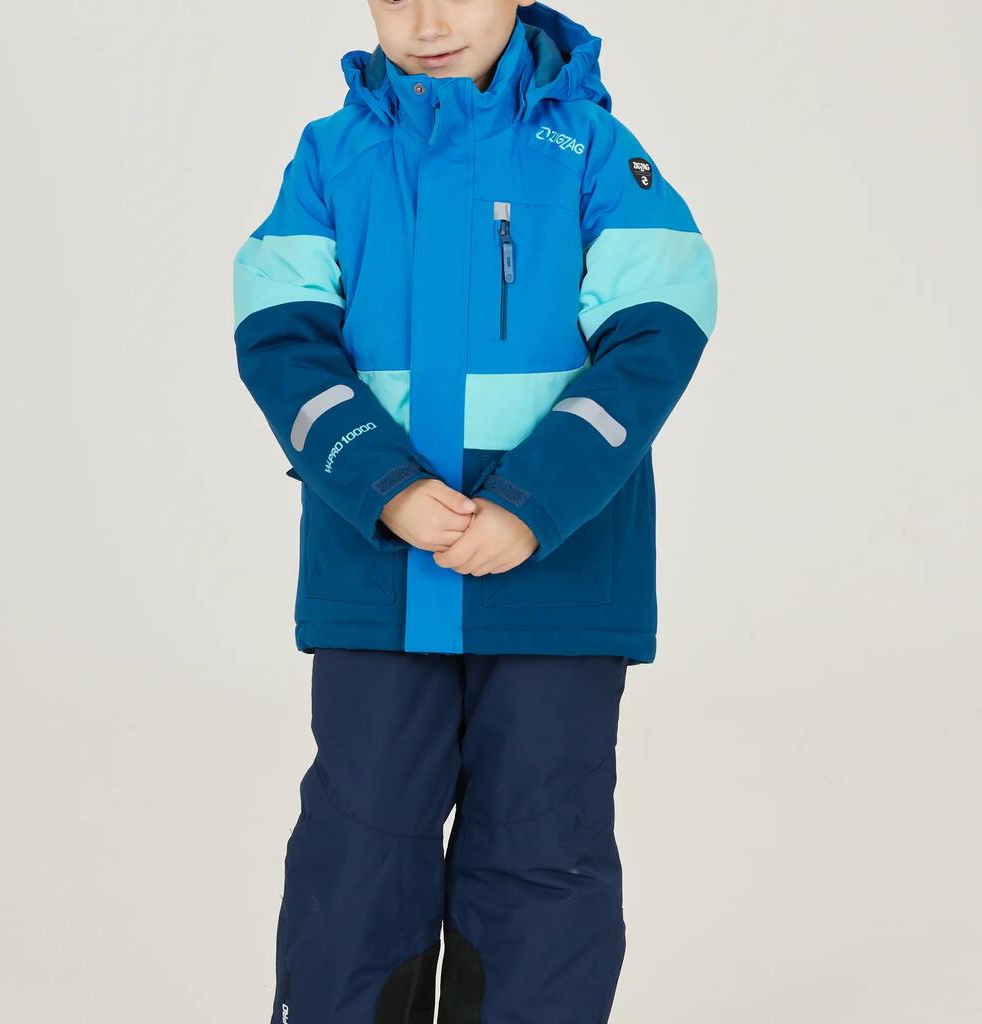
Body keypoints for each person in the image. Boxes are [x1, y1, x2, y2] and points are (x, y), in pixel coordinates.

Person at [231, 1, 717, 1020]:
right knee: (358, 844)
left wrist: (535, 503)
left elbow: (659, 329)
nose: (425, 19)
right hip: (379, 575)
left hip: (556, 579)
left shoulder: (592, 150)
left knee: (541, 848)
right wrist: (384, 484)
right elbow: (280, 335)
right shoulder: (330, 157)